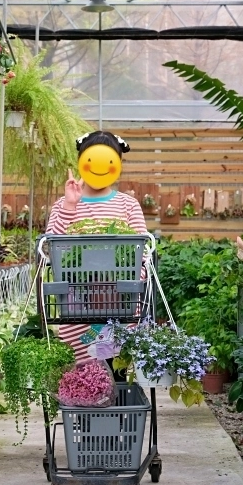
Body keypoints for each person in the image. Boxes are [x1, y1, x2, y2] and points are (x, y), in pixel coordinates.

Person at [46, 131, 147, 364]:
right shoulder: (64, 204)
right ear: (82, 162)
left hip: (120, 311)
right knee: (81, 378)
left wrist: (124, 288)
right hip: (76, 311)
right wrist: (70, 206)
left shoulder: (127, 204)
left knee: (119, 376)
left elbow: (143, 257)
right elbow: (50, 250)